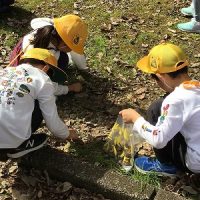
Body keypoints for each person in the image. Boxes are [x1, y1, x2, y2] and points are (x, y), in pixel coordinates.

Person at [119, 43, 200, 179]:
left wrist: (136, 119)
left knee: (156, 108)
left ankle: (166, 165)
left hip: (196, 161)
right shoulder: (195, 87)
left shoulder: (175, 100)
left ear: (161, 77)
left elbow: (159, 139)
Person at [0, 48, 79, 159]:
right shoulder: (43, 79)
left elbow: (53, 88)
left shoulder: (5, 71)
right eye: (50, 74)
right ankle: (19, 146)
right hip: (9, 142)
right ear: (46, 68)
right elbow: (53, 123)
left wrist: (69, 88)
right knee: (40, 103)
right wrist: (67, 134)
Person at [9, 14, 88, 91]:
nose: (71, 50)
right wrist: (70, 88)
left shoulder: (49, 28)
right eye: (71, 48)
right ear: (64, 45)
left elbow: (34, 21)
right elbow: (44, 85)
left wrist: (82, 67)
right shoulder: (43, 57)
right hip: (24, 74)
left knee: (63, 58)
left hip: (32, 59)